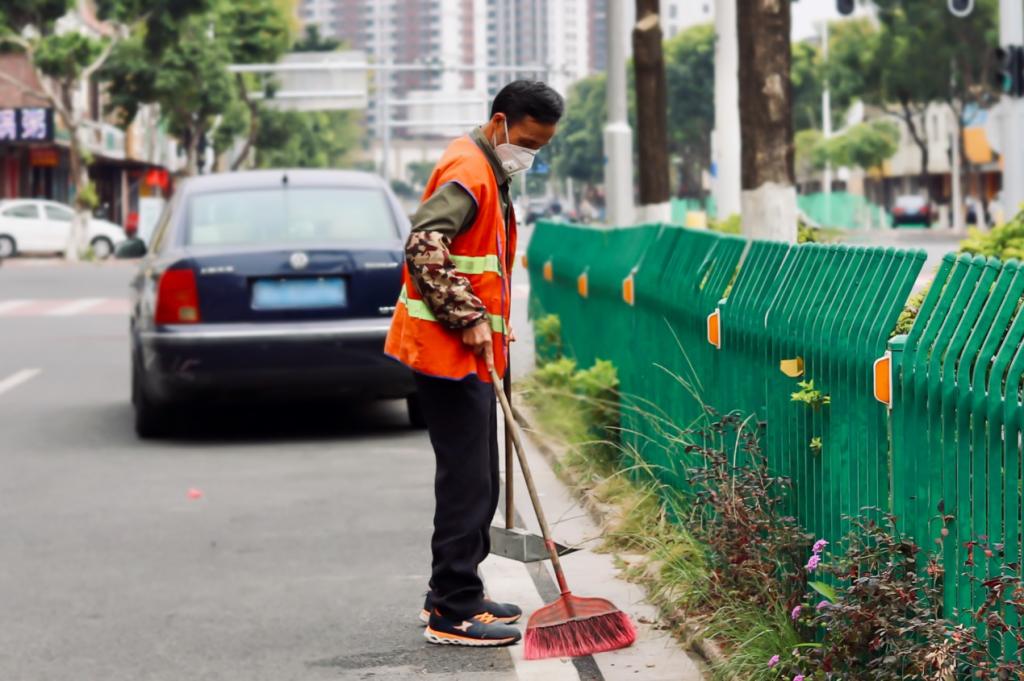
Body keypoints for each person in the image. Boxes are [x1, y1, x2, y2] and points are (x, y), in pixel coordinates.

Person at [385, 80, 563, 647]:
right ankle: (452, 611)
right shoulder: (470, 168)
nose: (529, 155)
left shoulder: (491, 169)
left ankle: (455, 590)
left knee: (480, 479)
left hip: (470, 355)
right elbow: (424, 246)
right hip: (448, 351)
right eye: (526, 143)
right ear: (499, 123)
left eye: (540, 148)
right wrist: (467, 315)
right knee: (468, 483)